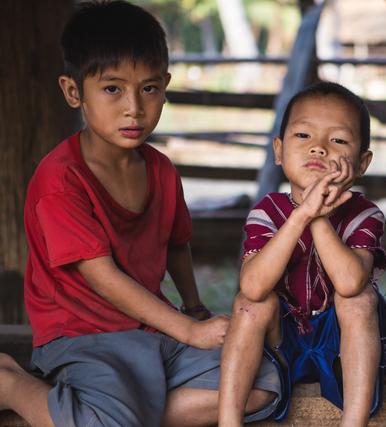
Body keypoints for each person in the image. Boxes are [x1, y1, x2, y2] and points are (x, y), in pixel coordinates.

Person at [0, 2, 281, 426]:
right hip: (83, 338)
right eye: (112, 89)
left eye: (148, 88)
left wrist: (193, 307)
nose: (134, 107)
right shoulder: (60, 180)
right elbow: (103, 277)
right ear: (73, 91)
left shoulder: (160, 169)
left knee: (261, 384)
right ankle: (11, 384)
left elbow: (176, 243)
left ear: (165, 85)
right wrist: (187, 332)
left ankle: (127, 414)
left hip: (151, 332)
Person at [218, 82, 386, 427]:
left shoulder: (365, 213)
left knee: (357, 300)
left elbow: (350, 281)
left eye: (338, 140)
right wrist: (300, 214)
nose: (319, 149)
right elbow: (252, 287)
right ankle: (228, 421)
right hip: (283, 341)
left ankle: (354, 422)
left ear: (361, 163)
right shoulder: (267, 211)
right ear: (279, 151)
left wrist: (318, 216)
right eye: (303, 136)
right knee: (253, 304)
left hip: (341, 345)